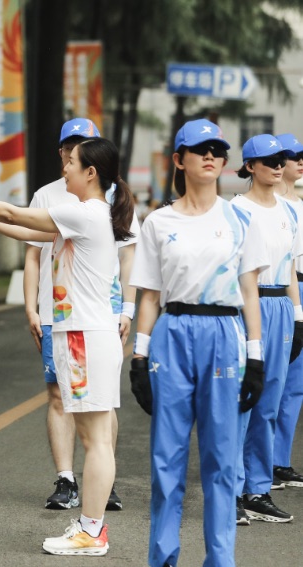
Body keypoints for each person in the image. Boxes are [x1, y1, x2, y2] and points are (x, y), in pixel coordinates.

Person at [0, 137, 135, 556]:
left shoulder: (87, 213)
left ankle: (91, 532)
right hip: (84, 335)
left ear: (91, 173)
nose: (65, 168)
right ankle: (90, 527)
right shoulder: (86, 215)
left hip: (84, 338)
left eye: (73, 163)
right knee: (96, 439)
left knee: (96, 441)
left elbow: (14, 212)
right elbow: (24, 229)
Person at [129, 119, 266, 566]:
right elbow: (150, 295)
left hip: (224, 335)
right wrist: (139, 357)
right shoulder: (158, 221)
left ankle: (220, 560)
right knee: (166, 459)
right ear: (179, 160)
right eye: (200, 149)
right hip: (173, 332)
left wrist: (256, 358)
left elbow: (249, 291)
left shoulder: (240, 219)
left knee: (221, 459)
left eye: (217, 150)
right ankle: (163, 556)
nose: (210, 156)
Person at [23, 118, 136, 512]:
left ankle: (98, 498)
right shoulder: (51, 195)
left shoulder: (100, 203)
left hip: (91, 321)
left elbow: (128, 256)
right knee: (66, 401)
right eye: (70, 146)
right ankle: (70, 482)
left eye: (82, 147)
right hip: (66, 317)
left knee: (98, 417)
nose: (73, 154)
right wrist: (32, 306)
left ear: (93, 163)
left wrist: (128, 308)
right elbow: (30, 246)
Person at [231, 134, 303, 524]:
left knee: (271, 400)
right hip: (249, 303)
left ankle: (257, 489)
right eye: (270, 160)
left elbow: (290, 266)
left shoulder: (290, 211)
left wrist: (298, 315)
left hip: (280, 305)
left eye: (282, 160)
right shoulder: (236, 210)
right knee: (244, 397)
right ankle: (231, 489)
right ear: (250, 166)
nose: (278, 166)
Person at [272, 133, 303, 490]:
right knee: (271, 382)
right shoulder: (265, 205)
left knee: (295, 383)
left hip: (297, 289)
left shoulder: (299, 204)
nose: (298, 162)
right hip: (276, 293)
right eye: (292, 156)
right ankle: (260, 462)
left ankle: (280, 460)